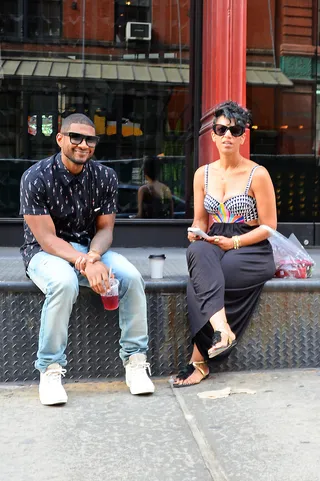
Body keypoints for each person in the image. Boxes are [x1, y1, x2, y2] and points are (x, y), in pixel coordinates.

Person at [19, 113, 155, 405]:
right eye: (75, 137)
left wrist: (92, 256)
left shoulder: (105, 176)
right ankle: (50, 369)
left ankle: (135, 360)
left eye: (89, 139)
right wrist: (86, 263)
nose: (83, 144)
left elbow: (106, 229)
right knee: (65, 282)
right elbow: (47, 239)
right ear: (60, 139)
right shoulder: (35, 177)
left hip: (89, 249)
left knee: (131, 276)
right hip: (43, 253)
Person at [173, 100, 277, 387]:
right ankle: (222, 330)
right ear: (213, 135)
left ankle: (199, 360)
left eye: (235, 129)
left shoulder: (258, 174)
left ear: (243, 135)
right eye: (222, 129)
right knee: (197, 250)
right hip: (214, 242)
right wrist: (195, 232)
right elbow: (200, 222)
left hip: (250, 245)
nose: (228, 135)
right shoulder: (202, 175)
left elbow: (269, 227)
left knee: (199, 284)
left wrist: (233, 242)